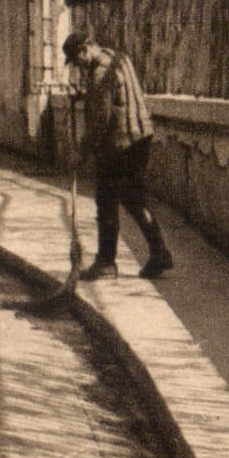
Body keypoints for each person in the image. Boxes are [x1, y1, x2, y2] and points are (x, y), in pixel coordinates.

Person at [62, 30, 173, 281]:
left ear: (84, 49)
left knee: (106, 201)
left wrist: (82, 152)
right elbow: (113, 97)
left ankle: (106, 262)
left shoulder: (100, 72)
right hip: (141, 137)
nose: (78, 67)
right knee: (134, 199)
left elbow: (100, 119)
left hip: (121, 144)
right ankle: (159, 253)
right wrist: (85, 96)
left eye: (77, 60)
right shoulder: (117, 57)